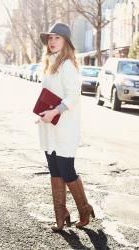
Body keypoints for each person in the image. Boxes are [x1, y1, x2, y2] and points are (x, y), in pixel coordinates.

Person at [36, 22, 95, 232]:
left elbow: (73, 96)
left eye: (57, 38)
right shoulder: (50, 63)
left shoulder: (68, 64)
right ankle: (60, 215)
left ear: (66, 42)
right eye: (50, 38)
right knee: (54, 169)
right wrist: (42, 112)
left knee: (66, 169)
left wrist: (54, 112)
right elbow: (49, 95)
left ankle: (84, 208)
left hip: (64, 127)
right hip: (49, 126)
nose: (52, 42)